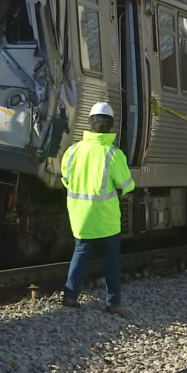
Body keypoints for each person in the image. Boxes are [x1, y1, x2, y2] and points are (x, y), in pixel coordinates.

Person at [60, 102, 135, 314]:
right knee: (111, 262)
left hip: (80, 216)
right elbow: (126, 186)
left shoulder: (73, 151)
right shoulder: (113, 154)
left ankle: (70, 297)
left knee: (80, 253)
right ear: (111, 126)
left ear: (90, 123)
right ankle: (113, 304)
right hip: (107, 218)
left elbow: (65, 180)